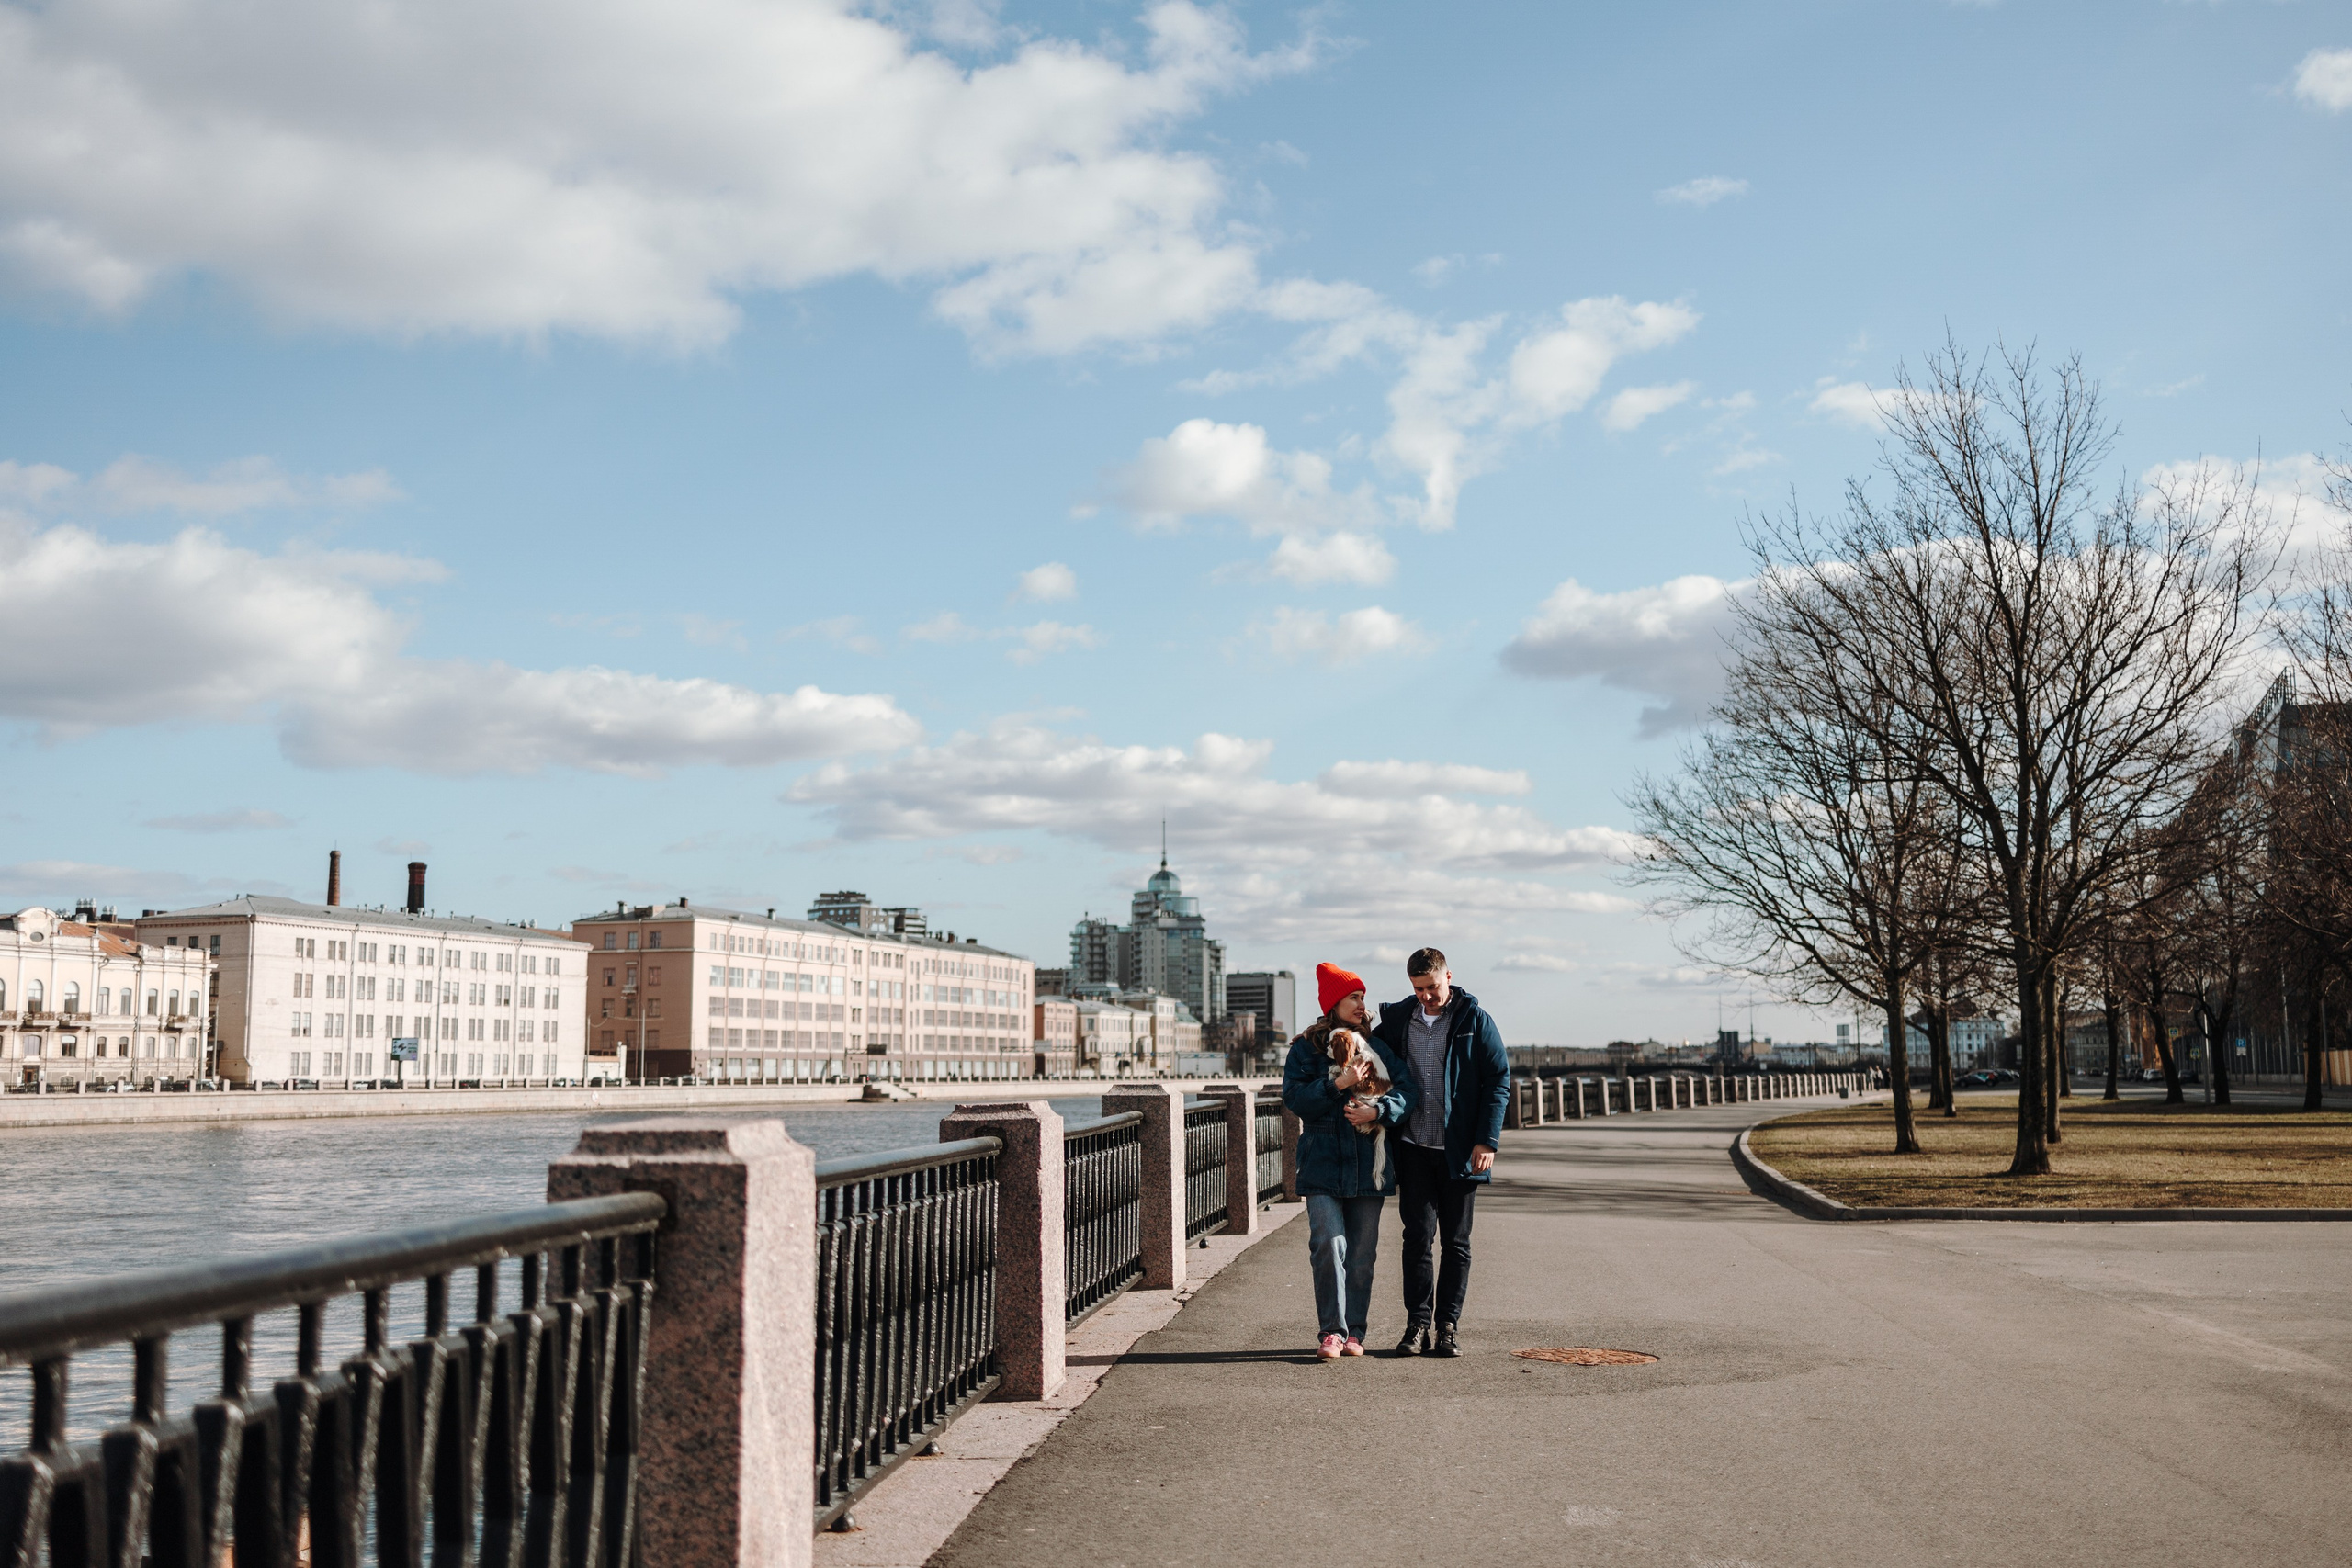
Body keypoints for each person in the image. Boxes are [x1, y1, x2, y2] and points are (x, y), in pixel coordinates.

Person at [1372, 947, 1509, 1358]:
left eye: (1432, 987)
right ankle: (1417, 1325)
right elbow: (1359, 1046)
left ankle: (1448, 1325)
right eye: (1418, 990)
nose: (1426, 997)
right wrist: (1317, 1037)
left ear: (1449, 976)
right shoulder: (1398, 1020)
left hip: (1460, 1152)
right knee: (1416, 1239)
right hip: (1413, 1147)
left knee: (1456, 1242)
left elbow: (1497, 1080)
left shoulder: (1474, 1020)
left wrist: (1487, 1140)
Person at [1283, 961, 1415, 1360]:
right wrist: (1336, 1083)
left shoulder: (1379, 1048)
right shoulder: (1304, 1049)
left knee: (1360, 1253)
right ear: (1333, 1004)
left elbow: (1407, 1093)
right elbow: (1296, 1100)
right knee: (1328, 1243)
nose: (1361, 1004)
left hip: (1367, 1164)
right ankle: (1333, 1333)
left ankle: (1355, 1332)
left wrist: (1378, 1112)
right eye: (1353, 997)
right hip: (1322, 1161)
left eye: (1362, 997)